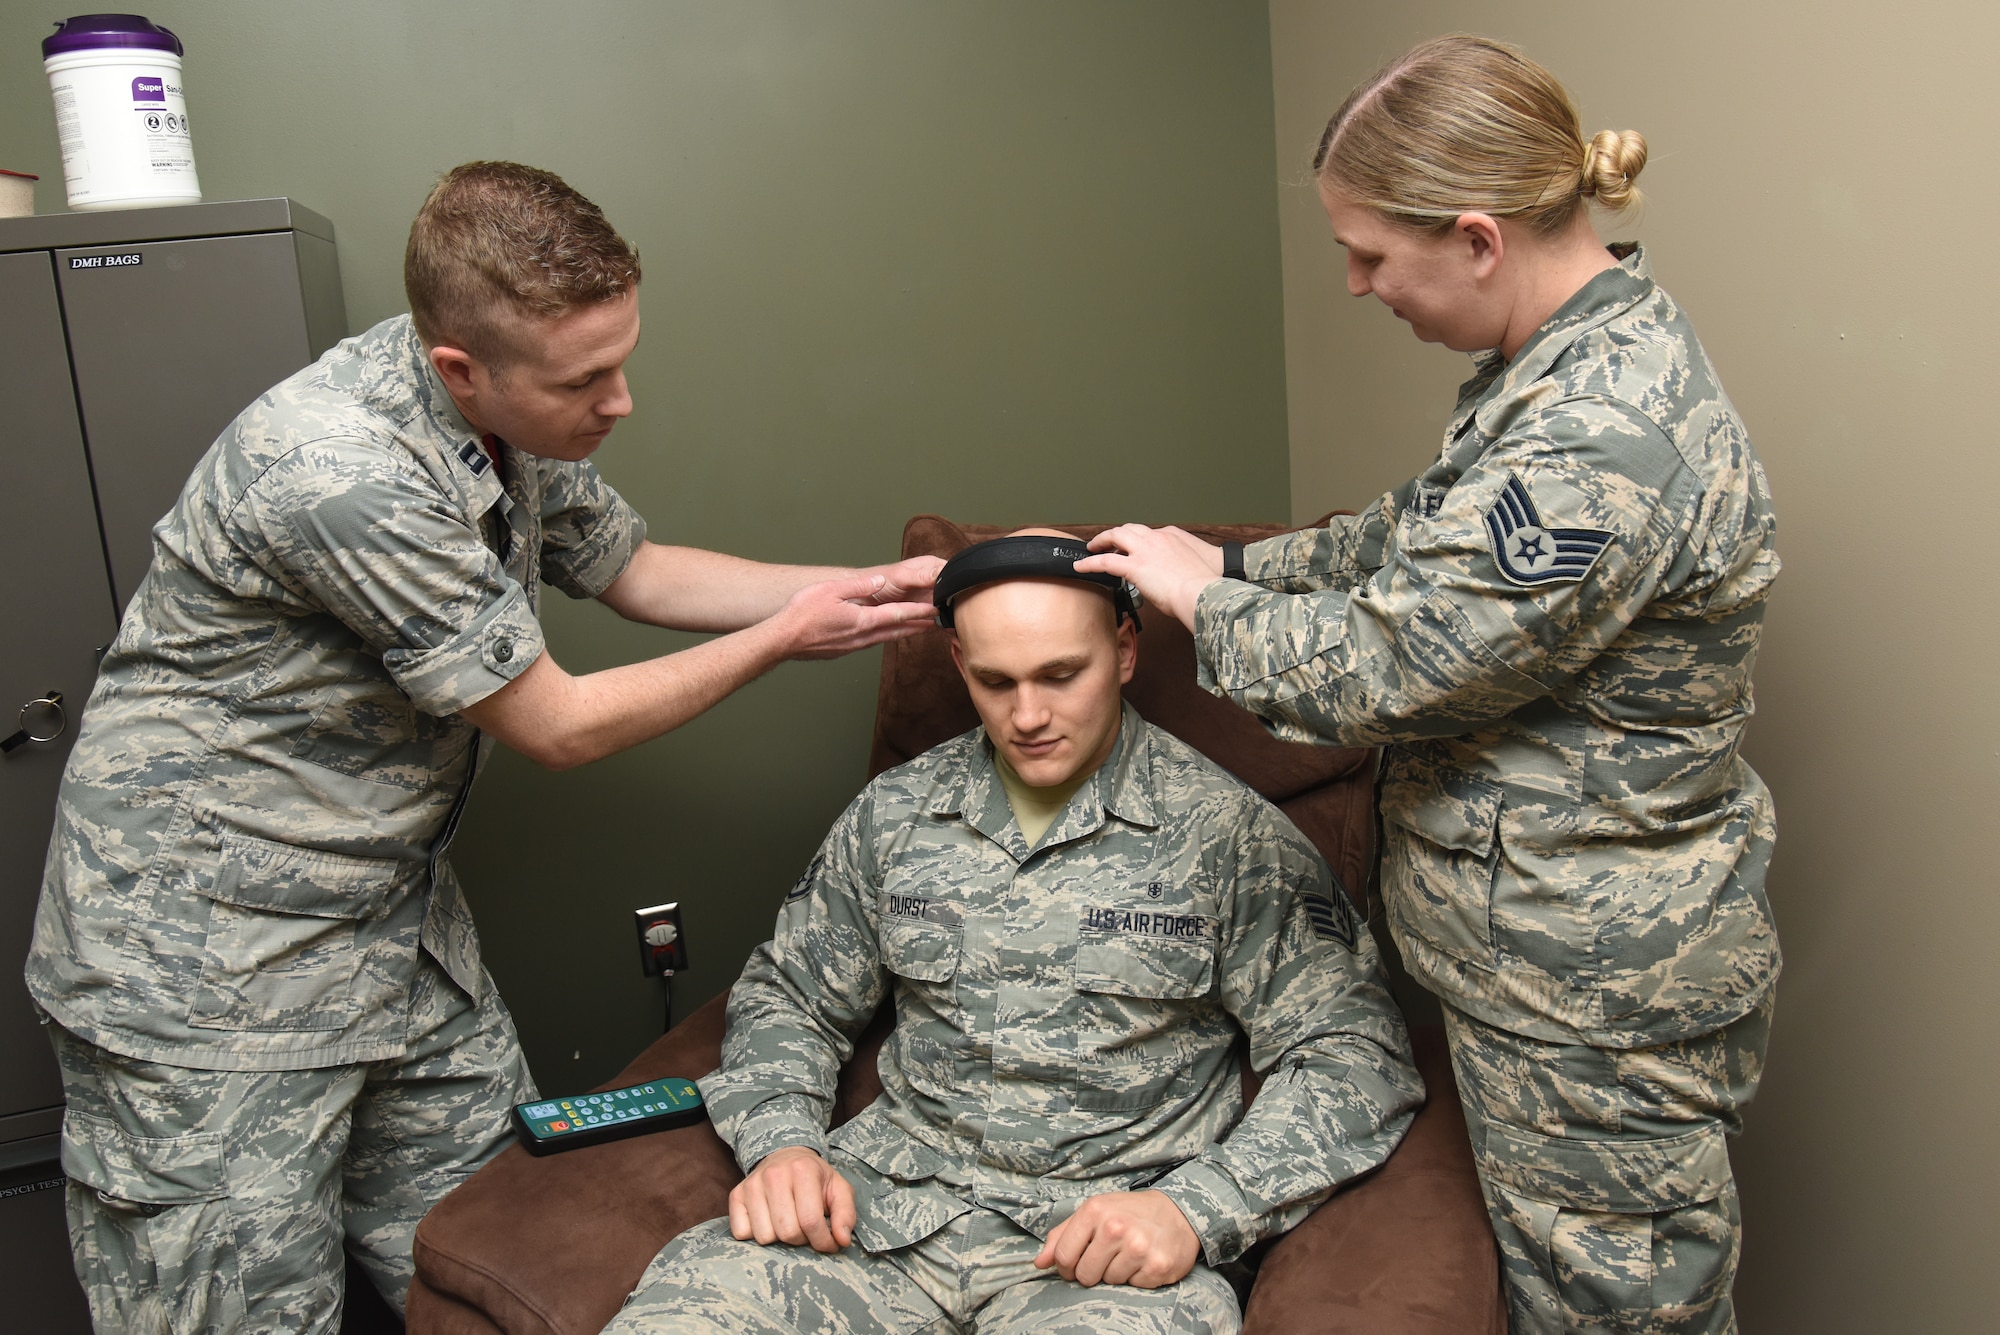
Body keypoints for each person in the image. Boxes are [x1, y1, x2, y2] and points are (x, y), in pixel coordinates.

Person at [27, 161, 941, 1334]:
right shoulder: (338, 472)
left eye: (622, 359)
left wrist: (875, 590)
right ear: (462, 365)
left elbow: (634, 572)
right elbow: (552, 722)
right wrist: (780, 642)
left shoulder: (504, 409)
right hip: (206, 965)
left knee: (498, 1264)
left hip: (388, 928)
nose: (618, 403)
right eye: (587, 380)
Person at [1079, 36, 1779, 1335]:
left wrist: (1202, 602)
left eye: (1369, 253)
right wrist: (1224, 557)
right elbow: (1404, 543)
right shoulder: (1545, 374)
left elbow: (1390, 665)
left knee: (1620, 1312)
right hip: (1533, 970)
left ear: (1474, 237)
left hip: (1594, 999)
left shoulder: (1602, 436)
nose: (1353, 284)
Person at [603, 532, 1424, 1335]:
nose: (1028, 715)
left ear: (1125, 649)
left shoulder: (1228, 834)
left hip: (1099, 1258)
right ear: (960, 664)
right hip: (872, 1221)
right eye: (996, 681)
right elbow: (792, 998)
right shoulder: (897, 813)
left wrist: (1195, 1208)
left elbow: (1355, 1053)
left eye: (1062, 674)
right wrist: (781, 1146)